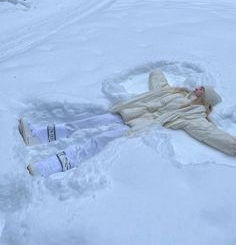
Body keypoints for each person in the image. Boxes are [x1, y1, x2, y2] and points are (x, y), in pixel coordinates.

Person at [19, 69, 236, 177]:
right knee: (90, 121)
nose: (197, 88)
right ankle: (37, 136)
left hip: (139, 126)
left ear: (206, 99)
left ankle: (46, 167)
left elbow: (209, 134)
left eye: (202, 90)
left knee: (98, 140)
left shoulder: (195, 114)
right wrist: (157, 72)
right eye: (199, 87)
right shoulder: (176, 91)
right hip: (129, 113)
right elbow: (158, 83)